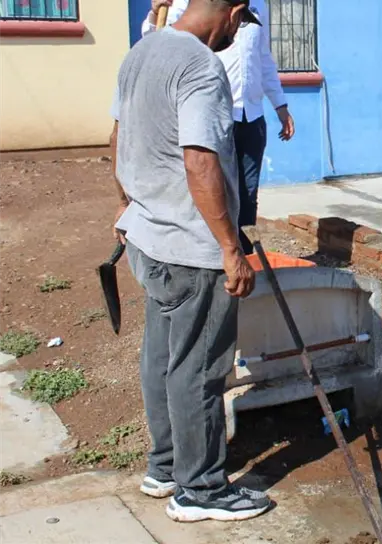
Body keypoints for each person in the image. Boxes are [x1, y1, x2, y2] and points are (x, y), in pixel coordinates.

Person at [110, 0, 272, 523]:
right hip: (190, 246)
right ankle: (199, 489)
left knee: (161, 357)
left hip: (148, 239)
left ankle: (165, 466)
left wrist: (126, 202)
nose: (236, 35)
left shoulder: (143, 51)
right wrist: (230, 248)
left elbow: (117, 137)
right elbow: (200, 158)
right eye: (240, 25)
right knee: (200, 368)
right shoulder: (201, 67)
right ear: (233, 12)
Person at [145, 0, 295, 255]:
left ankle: (245, 256)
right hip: (214, 114)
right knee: (213, 190)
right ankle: (213, 257)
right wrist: (153, 14)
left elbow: (264, 58)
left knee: (247, 195)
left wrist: (280, 105)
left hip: (252, 115)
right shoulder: (192, 3)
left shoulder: (258, 6)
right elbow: (160, 42)